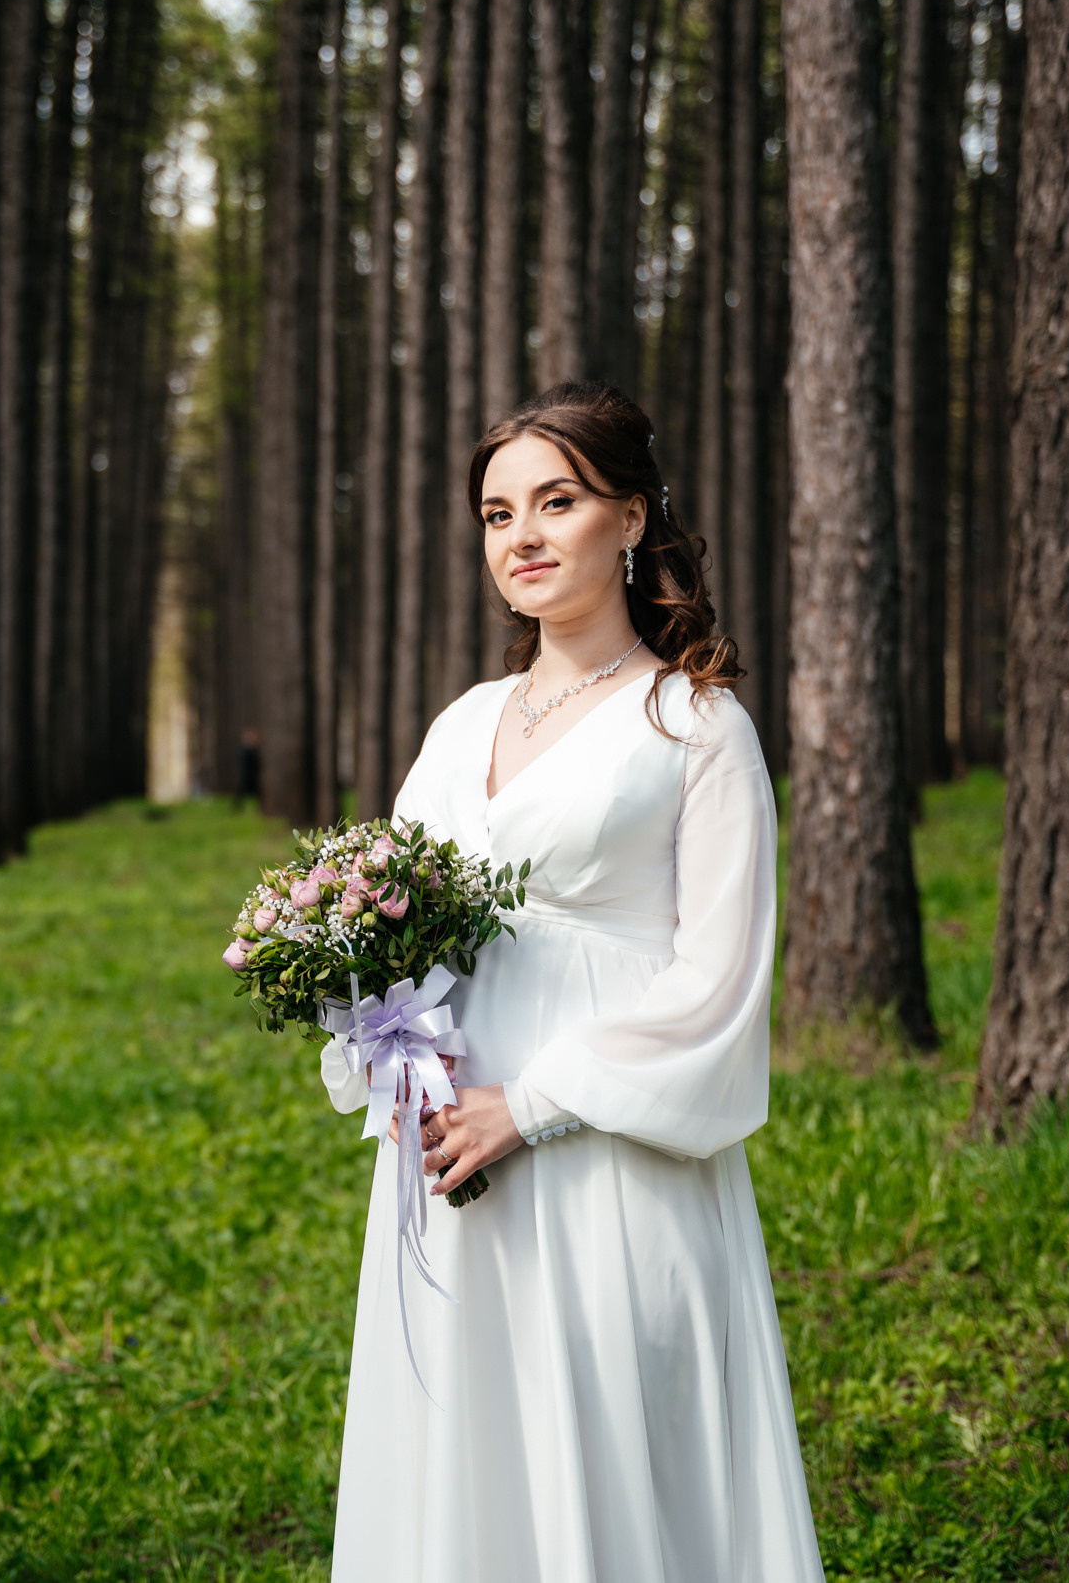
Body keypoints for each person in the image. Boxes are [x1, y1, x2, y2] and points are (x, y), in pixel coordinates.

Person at [327, 383, 826, 1580]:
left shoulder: (695, 724)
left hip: (609, 1149)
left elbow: (718, 978)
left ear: (632, 516)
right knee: (467, 1445)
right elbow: (394, 926)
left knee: (613, 1439)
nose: (524, 537)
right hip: (452, 1147)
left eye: (559, 501)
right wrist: (388, 1050)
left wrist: (530, 1105)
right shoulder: (462, 726)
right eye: (498, 514)